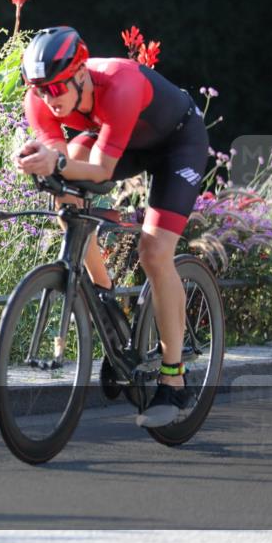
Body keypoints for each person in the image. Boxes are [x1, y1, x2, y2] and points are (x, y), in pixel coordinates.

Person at [13, 26, 208, 428]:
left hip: (177, 144)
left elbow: (101, 169)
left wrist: (58, 162)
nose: (49, 98)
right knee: (66, 193)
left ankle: (174, 379)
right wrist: (41, 161)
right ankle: (107, 302)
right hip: (124, 142)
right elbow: (63, 161)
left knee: (154, 253)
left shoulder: (120, 83)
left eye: (57, 87)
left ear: (81, 73)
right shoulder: (40, 100)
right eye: (41, 90)